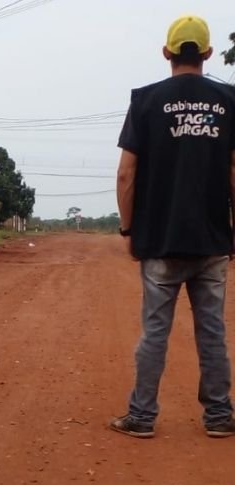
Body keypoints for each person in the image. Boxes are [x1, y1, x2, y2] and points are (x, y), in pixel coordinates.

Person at [110, 14, 235, 438]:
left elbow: (127, 173)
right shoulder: (229, 100)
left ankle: (142, 418)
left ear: (166, 53)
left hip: (160, 242)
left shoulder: (145, 101)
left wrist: (129, 230)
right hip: (213, 241)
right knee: (213, 332)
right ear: (207, 54)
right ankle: (219, 417)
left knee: (155, 333)